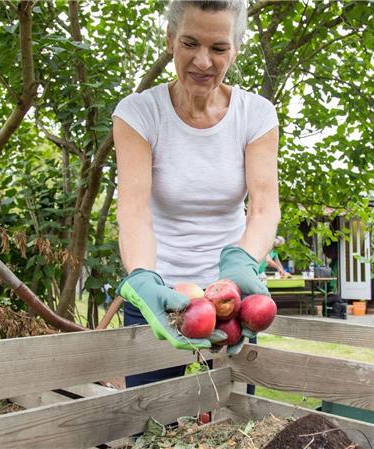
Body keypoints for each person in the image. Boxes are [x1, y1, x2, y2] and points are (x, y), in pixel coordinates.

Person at [112, 0, 280, 388]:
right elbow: (135, 212)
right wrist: (142, 278)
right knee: (150, 425)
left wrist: (242, 262)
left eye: (219, 48)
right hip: (161, 297)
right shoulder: (139, 113)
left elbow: (264, 208)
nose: (203, 61)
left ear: (235, 50)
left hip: (232, 298)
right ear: (171, 40)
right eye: (190, 43)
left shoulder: (255, 114)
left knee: (237, 427)